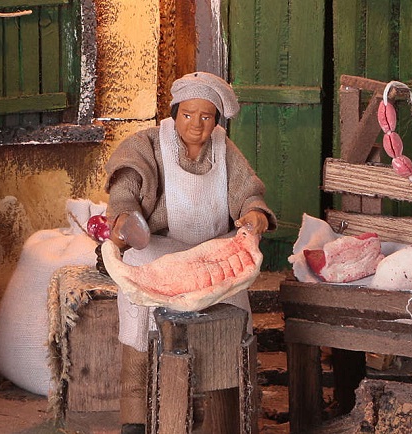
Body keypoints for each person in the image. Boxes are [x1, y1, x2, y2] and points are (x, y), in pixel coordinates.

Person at [104, 71, 277, 433]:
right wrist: (123, 218)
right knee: (140, 319)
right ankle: (135, 416)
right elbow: (126, 185)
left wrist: (254, 215)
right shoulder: (149, 143)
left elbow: (248, 191)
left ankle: (223, 415)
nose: (196, 125)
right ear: (174, 112)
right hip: (159, 249)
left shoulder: (223, 149)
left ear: (216, 119)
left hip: (212, 252)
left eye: (206, 117)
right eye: (187, 115)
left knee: (228, 322)